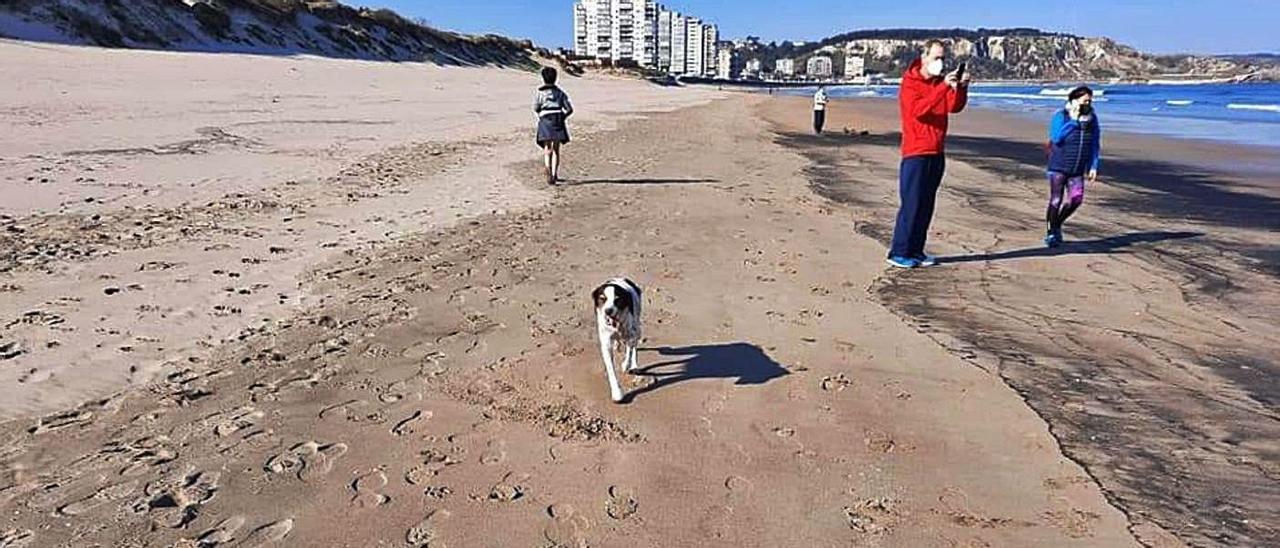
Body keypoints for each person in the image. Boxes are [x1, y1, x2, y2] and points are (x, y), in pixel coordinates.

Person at [886, 40, 970, 268]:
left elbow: (954, 106)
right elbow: (918, 111)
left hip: (936, 150)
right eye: (936, 58)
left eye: (943, 58)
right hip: (915, 151)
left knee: (926, 204)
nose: (940, 63)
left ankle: (916, 250)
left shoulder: (937, 83)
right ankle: (899, 251)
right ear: (924, 58)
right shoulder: (910, 83)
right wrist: (943, 86)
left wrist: (961, 87)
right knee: (911, 203)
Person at [1044, 86, 1102, 247]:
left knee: (1076, 199)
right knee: (1056, 200)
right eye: (1084, 101)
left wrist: (1093, 166)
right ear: (1074, 101)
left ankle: (1057, 224)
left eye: (1090, 101)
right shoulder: (1061, 116)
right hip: (1058, 166)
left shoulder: (1092, 119)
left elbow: (1095, 143)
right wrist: (1074, 121)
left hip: (1077, 168)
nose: (1088, 104)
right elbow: (1056, 138)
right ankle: (1051, 233)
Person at [534, 66, 573, 185]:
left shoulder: (540, 92)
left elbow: (536, 107)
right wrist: (563, 117)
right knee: (556, 148)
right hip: (557, 117)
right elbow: (569, 109)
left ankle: (547, 167)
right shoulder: (560, 93)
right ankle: (555, 174)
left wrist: (541, 114)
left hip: (545, 118)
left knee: (547, 147)